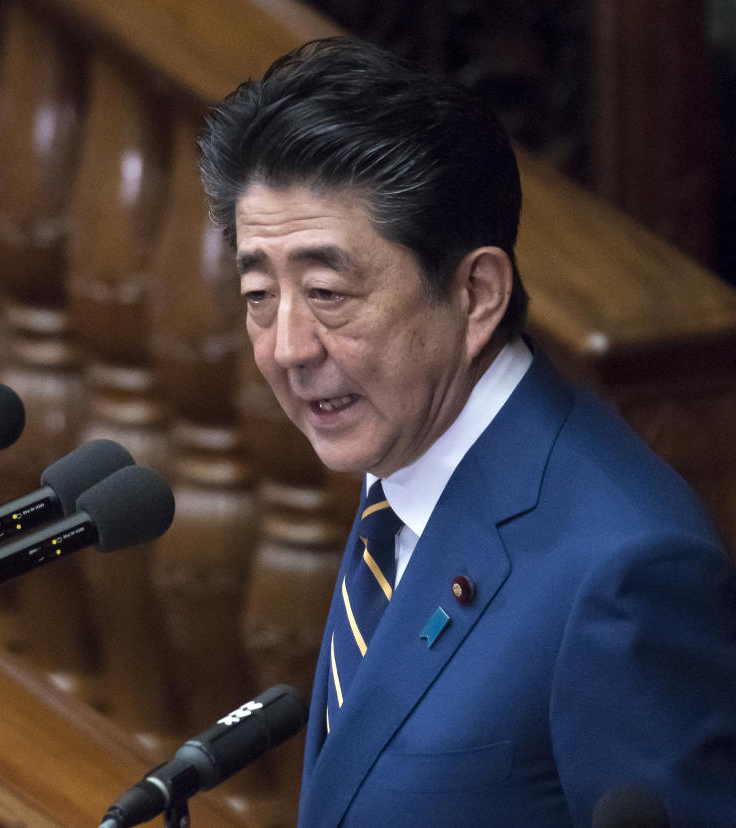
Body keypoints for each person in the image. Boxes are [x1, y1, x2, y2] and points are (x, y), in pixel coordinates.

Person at [197, 37, 736, 826]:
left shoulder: (627, 571)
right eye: (256, 295)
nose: (287, 348)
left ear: (477, 293)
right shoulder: (406, 463)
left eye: (326, 291)